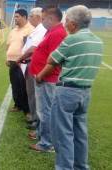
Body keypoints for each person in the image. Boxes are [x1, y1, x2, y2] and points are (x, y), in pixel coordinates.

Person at [37, 5, 103, 169]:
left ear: (73, 24)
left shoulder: (71, 39)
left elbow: (52, 60)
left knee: (63, 133)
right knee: (80, 132)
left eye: (67, 21)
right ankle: (81, 166)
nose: (65, 24)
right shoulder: (98, 41)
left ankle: (65, 167)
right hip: (85, 92)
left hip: (67, 91)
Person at [28, 6, 67, 152]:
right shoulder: (52, 32)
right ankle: (41, 134)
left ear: (51, 18)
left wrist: (41, 75)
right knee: (42, 110)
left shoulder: (57, 33)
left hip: (47, 79)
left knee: (46, 111)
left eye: (43, 19)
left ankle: (46, 143)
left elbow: (54, 60)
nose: (42, 21)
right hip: (44, 77)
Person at [16, 7, 47, 132]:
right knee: (31, 93)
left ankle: (36, 119)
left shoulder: (41, 30)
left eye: (31, 16)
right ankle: (34, 118)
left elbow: (33, 48)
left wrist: (20, 58)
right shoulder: (37, 30)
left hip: (33, 64)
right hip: (29, 63)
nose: (29, 19)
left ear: (38, 17)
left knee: (34, 94)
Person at [6, 9, 34, 115]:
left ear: (24, 17)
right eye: (15, 16)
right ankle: (17, 105)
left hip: (23, 62)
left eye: (17, 16)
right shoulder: (13, 30)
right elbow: (9, 45)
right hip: (12, 62)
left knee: (24, 86)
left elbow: (31, 47)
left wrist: (22, 59)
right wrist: (7, 57)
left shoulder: (31, 30)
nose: (15, 18)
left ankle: (27, 110)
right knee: (15, 85)